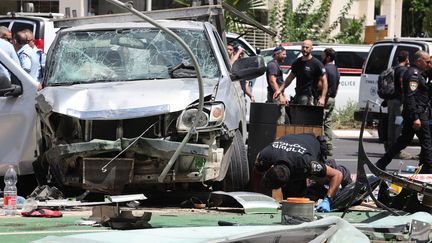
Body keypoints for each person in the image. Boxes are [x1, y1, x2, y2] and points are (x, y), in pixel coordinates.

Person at [250, 133, 343, 212]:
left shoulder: (307, 163)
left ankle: (343, 177)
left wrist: (328, 199)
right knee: (292, 201)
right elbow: (256, 173)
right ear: (271, 167)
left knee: (324, 180)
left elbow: (337, 174)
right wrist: (256, 197)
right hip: (292, 144)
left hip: (311, 143)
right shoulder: (266, 156)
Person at [376, 51, 432, 173]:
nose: (429, 64)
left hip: (415, 112)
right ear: (419, 61)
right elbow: (410, 97)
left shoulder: (419, 73)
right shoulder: (413, 75)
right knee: (427, 141)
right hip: (417, 113)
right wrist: (416, 117)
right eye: (427, 61)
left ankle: (382, 162)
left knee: (404, 140)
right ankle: (428, 169)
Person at [274, 39, 327, 107]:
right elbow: (290, 78)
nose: (304, 49)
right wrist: (279, 90)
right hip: (298, 94)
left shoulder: (316, 64)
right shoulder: (297, 62)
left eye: (307, 47)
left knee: (306, 116)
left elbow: (324, 81)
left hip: (309, 96)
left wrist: (322, 98)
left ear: (311, 49)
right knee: (295, 115)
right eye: (303, 47)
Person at [384, 50, 413, 159]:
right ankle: (396, 150)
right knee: (398, 125)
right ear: (406, 59)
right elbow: (402, 85)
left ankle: (390, 147)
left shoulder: (393, 68)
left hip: (391, 100)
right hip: (399, 102)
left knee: (391, 124)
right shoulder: (402, 70)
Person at [321, 48, 340, 156]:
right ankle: (329, 147)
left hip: (325, 98)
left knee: (320, 122)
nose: (322, 57)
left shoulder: (325, 69)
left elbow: (323, 84)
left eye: (323, 55)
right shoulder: (336, 69)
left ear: (328, 57)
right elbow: (337, 85)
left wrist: (322, 97)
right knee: (328, 122)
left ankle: (323, 146)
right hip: (332, 98)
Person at [266, 46, 287, 124]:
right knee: (278, 120)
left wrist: (283, 95)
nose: (285, 56)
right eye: (284, 54)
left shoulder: (276, 65)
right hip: (275, 96)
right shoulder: (272, 65)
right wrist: (280, 96)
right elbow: (272, 81)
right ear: (277, 54)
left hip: (278, 94)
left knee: (281, 118)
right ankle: (277, 136)